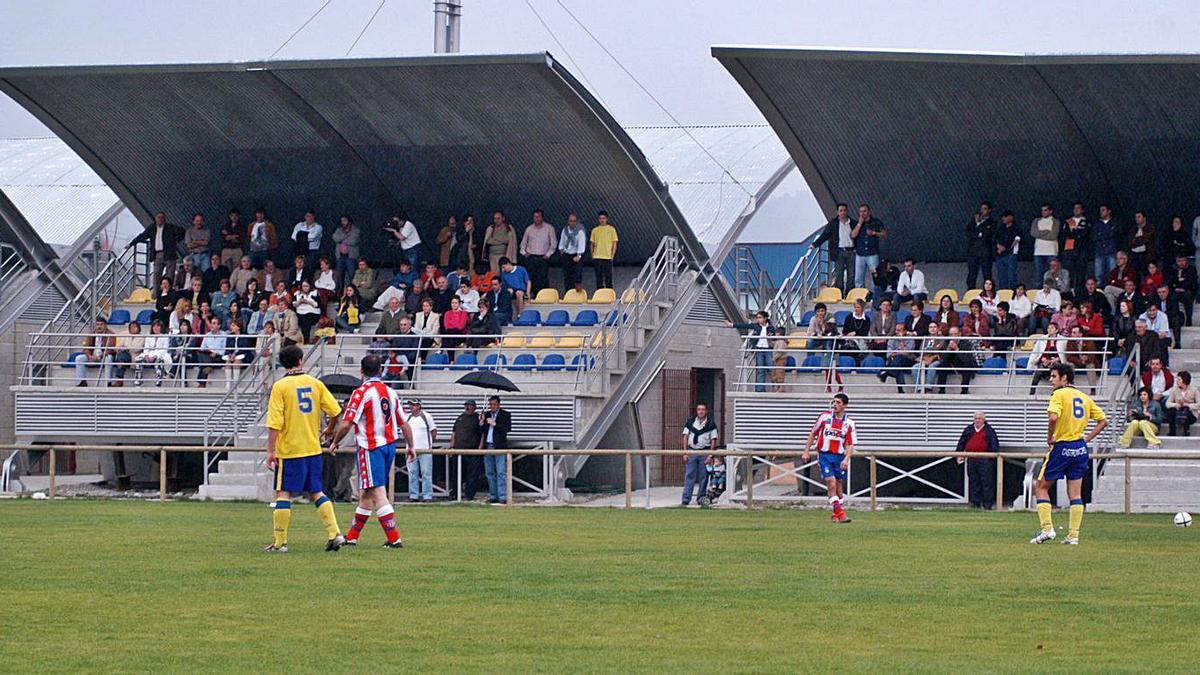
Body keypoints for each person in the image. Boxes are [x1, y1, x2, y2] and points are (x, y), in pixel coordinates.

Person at [324, 355, 414, 548]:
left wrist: (334, 442)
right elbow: (404, 423)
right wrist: (411, 446)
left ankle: (394, 539)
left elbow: (348, 422)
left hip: (370, 446)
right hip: (389, 446)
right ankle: (353, 537)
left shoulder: (361, 392)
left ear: (361, 371)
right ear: (380, 370)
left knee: (377, 491)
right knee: (366, 492)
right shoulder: (390, 392)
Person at [263, 344, 345, 553]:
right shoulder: (315, 383)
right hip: (313, 448)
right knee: (316, 491)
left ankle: (280, 542)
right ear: (301, 361)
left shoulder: (280, 387)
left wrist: (270, 451)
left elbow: (275, 422)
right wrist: (329, 428)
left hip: (290, 450)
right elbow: (336, 410)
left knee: (283, 492)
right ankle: (334, 533)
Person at [1030, 362, 1108, 545]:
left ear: (1064, 378)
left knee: (1041, 487)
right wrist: (1086, 440)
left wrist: (1050, 437)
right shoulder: (1084, 396)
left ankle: (1047, 529)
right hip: (1080, 449)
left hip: (1062, 447)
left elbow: (1053, 417)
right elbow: (1103, 421)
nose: (1051, 380)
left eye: (1053, 376)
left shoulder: (1058, 394)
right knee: (1075, 493)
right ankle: (1073, 535)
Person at [801, 393, 855, 523]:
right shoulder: (824, 417)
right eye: (834, 402)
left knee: (839, 487)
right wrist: (806, 451)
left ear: (845, 406)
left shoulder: (849, 423)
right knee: (831, 482)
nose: (835, 405)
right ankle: (841, 514)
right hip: (824, 455)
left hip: (839, 457)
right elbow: (813, 433)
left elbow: (850, 444)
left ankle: (835, 513)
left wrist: (846, 459)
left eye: (838, 402)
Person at [127, 211, 183, 291]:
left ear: (164, 219)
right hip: (158, 254)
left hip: (170, 254)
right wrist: (131, 243)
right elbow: (143, 235)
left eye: (162, 217)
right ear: (155, 218)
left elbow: (182, 231)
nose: (160, 219)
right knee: (156, 274)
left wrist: (174, 241)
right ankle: (156, 294)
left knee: (170, 275)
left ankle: (169, 293)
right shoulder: (152, 228)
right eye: (158, 217)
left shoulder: (170, 227)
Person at [955, 411, 999, 509]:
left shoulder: (989, 431)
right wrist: (959, 454)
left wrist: (990, 457)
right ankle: (975, 503)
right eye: (976, 418)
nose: (978, 420)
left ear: (984, 420)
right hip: (971, 459)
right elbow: (961, 442)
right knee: (974, 482)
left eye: (980, 419)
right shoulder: (969, 429)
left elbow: (994, 445)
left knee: (986, 482)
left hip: (985, 460)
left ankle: (987, 504)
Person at [810, 203, 856, 293]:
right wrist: (815, 244)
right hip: (839, 251)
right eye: (841, 210)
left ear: (847, 211)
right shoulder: (833, 223)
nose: (843, 212)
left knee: (852, 274)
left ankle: (850, 292)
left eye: (844, 210)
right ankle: (839, 292)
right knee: (839, 274)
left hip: (851, 250)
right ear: (838, 212)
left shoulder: (853, 223)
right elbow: (825, 235)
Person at [726, 310, 777, 392]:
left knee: (771, 367)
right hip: (759, 349)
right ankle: (760, 389)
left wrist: (771, 337)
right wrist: (732, 325)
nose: (758, 320)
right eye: (757, 318)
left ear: (765, 318)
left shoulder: (771, 327)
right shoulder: (756, 326)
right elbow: (745, 325)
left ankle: (775, 386)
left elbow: (775, 338)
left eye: (760, 318)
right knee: (760, 369)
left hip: (768, 349)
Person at [681, 403, 719, 506]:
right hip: (692, 452)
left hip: (705, 452)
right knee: (689, 475)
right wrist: (685, 452)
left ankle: (701, 498)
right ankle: (686, 499)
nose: (700, 411)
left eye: (703, 409)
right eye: (699, 409)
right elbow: (685, 436)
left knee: (704, 477)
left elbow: (713, 440)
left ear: (706, 411)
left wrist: (710, 455)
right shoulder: (690, 422)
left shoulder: (711, 424)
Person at [402, 399, 438, 502]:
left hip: (425, 449)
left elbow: (433, 431)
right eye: (410, 405)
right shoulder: (407, 417)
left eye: (413, 405)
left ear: (419, 406)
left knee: (426, 473)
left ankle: (427, 496)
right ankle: (414, 495)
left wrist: (429, 444)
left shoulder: (427, 416)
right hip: (410, 449)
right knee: (412, 473)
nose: (411, 407)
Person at [480, 395, 512, 504]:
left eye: (494, 404)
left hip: (499, 446)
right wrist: (481, 422)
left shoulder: (505, 414)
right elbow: (481, 430)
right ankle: (493, 496)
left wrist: (495, 424)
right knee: (489, 473)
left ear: (499, 404)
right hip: (488, 446)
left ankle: (502, 497)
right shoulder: (487, 414)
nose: (492, 406)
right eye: (490, 404)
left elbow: (507, 429)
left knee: (501, 472)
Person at [452, 400, 485, 501]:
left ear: (474, 407)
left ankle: (469, 495)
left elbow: (483, 433)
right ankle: (455, 493)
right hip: (458, 450)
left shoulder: (478, 418)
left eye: (470, 406)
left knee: (472, 474)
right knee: (457, 473)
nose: (467, 408)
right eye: (466, 406)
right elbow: (454, 432)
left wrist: (480, 447)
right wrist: (452, 446)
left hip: (472, 450)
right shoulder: (460, 417)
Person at [520, 209, 556, 295]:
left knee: (542, 278)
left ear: (542, 217)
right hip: (531, 257)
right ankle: (531, 296)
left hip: (543, 257)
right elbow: (523, 243)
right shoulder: (529, 229)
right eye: (535, 217)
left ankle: (543, 297)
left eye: (538, 217)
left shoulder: (549, 228)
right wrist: (524, 253)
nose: (536, 219)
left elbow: (553, 243)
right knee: (531, 278)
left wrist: (548, 254)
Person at [852, 204, 886, 289]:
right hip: (860, 254)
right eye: (860, 212)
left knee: (875, 277)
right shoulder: (856, 223)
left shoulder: (876, 222)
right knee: (858, 278)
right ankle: (860, 296)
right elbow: (853, 235)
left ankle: (873, 296)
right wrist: (859, 224)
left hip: (872, 253)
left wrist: (874, 233)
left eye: (864, 211)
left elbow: (884, 234)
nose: (862, 213)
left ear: (869, 212)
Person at [74, 317, 115, 387]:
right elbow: (86, 347)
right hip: (92, 356)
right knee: (79, 358)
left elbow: (110, 349)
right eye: (97, 325)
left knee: (109, 358)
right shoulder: (91, 334)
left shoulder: (111, 334)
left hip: (103, 356)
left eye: (101, 325)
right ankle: (82, 381)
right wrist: (89, 356)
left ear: (105, 325)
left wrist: (99, 357)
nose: (99, 326)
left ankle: (108, 382)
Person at [1059, 202, 1089, 297]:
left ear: (1082, 210)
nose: (1076, 210)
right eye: (1075, 208)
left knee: (1081, 272)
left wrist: (1074, 231)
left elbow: (1084, 234)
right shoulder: (1068, 221)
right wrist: (1074, 232)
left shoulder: (1086, 221)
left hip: (1081, 250)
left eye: (1078, 208)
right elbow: (1064, 234)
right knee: (1068, 272)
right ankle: (1069, 292)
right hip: (1069, 250)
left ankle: (1080, 293)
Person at [1028, 323, 1066, 395]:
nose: (1049, 329)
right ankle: (1032, 391)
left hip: (1057, 362)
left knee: (1057, 371)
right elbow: (1039, 352)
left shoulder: (1063, 340)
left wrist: (1056, 359)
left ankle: (1056, 392)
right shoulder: (1042, 339)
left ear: (1056, 330)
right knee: (1039, 371)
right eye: (1048, 328)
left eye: (1052, 328)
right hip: (1045, 362)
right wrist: (1043, 359)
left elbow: (1063, 355)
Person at [965, 201, 995, 289]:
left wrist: (978, 233)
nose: (982, 211)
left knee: (987, 274)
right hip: (973, 252)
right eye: (981, 208)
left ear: (989, 210)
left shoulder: (992, 222)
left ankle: (989, 291)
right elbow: (968, 233)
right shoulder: (973, 222)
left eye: (985, 209)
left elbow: (988, 234)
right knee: (972, 273)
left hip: (985, 253)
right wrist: (977, 224)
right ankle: (970, 291)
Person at [1030, 202, 1060, 285]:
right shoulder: (1036, 221)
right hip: (1038, 252)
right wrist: (1046, 231)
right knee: (1039, 275)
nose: (1043, 212)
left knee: (1052, 275)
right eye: (1042, 210)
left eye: (1045, 210)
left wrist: (1039, 234)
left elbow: (1053, 235)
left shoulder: (1055, 221)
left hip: (1051, 252)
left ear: (1050, 211)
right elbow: (1033, 233)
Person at [558, 212, 587, 294]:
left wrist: (579, 255)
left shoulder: (580, 231)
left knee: (577, 276)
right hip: (567, 255)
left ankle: (577, 294)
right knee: (567, 276)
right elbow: (562, 241)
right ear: (568, 221)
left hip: (577, 255)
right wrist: (561, 250)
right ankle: (568, 294)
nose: (572, 223)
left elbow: (582, 243)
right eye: (571, 221)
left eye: (574, 221)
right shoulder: (565, 230)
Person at [589, 211, 618, 289]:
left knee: (608, 279)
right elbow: (592, 244)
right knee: (599, 279)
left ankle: (609, 296)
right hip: (597, 257)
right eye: (600, 218)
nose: (602, 220)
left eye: (604, 218)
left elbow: (614, 243)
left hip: (607, 257)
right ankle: (600, 295)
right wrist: (592, 255)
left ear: (607, 219)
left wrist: (612, 256)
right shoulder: (594, 230)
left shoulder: (612, 229)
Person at [194, 316, 226, 388]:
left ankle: (201, 383)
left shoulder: (224, 335)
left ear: (219, 326)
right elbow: (202, 347)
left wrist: (216, 352)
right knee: (200, 354)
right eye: (211, 323)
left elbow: (224, 350)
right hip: (207, 355)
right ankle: (209, 366)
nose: (211, 325)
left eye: (214, 323)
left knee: (204, 361)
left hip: (217, 356)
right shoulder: (207, 335)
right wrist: (209, 351)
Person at [1092, 203, 1121, 283]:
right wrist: (1107, 234)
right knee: (1098, 274)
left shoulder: (1115, 222)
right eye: (1100, 210)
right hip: (1099, 251)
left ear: (1109, 211)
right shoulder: (1096, 224)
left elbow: (1115, 234)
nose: (1101, 212)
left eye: (1103, 210)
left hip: (1111, 251)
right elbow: (1094, 236)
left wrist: (1102, 235)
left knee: (1112, 273)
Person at [1165, 371, 1199, 437]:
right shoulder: (1174, 390)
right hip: (1178, 412)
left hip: (1190, 413)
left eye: (1179, 379)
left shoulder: (1194, 390)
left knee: (1186, 410)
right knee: (1170, 411)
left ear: (1184, 380)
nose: (1177, 381)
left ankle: (1186, 431)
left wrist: (1188, 405)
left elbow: (1199, 404)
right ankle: (1172, 432)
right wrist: (1175, 405)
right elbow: (1167, 403)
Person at [992, 210, 1020, 291]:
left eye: (1005, 217)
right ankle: (1003, 293)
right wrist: (998, 247)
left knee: (1011, 276)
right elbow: (994, 239)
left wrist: (1005, 248)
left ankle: (1012, 293)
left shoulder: (1016, 228)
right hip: (1000, 255)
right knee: (1001, 277)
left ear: (1011, 217)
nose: (1003, 219)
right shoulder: (1000, 228)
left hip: (1011, 255)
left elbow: (1015, 241)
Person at [111, 320, 145, 387]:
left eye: (135, 327)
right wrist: (117, 349)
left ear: (138, 328)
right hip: (125, 356)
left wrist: (125, 348)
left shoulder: (142, 337)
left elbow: (137, 348)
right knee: (121, 358)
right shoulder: (127, 336)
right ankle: (119, 380)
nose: (133, 328)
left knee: (122, 357)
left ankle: (119, 380)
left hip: (134, 356)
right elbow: (120, 345)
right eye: (131, 327)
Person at [331, 215, 360, 288]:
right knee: (339, 277)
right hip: (340, 257)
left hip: (350, 257)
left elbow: (353, 241)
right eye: (341, 221)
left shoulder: (356, 230)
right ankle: (339, 294)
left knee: (352, 275)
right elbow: (335, 238)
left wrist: (341, 240)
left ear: (349, 221)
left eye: (344, 220)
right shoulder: (339, 230)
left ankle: (354, 292)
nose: (343, 222)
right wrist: (346, 235)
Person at [1169, 255, 1197, 327]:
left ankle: (1188, 319)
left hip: (1188, 291)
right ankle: (1176, 318)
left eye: (1182, 261)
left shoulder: (1191, 269)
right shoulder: (1174, 270)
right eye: (1179, 261)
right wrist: (1178, 279)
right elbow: (1171, 283)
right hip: (1176, 291)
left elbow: (1191, 282)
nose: (1181, 263)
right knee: (1172, 297)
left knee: (1188, 296)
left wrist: (1181, 285)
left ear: (1186, 261)